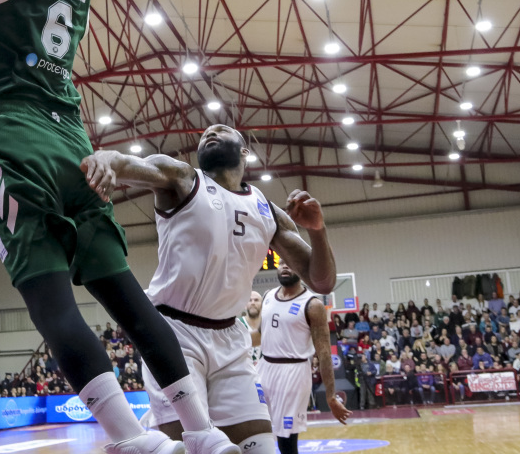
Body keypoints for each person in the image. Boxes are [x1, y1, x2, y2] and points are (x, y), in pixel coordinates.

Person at [0, 0, 230, 453]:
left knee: (49, 300)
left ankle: (129, 437)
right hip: (74, 143)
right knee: (126, 298)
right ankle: (201, 432)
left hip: (16, 137)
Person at [81, 126, 338, 454]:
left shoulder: (266, 209)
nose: (210, 132)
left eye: (222, 130)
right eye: (205, 133)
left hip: (231, 339)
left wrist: (317, 230)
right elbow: (128, 163)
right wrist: (106, 160)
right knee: (186, 446)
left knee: (261, 446)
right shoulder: (183, 177)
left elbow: (322, 281)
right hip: (175, 334)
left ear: (244, 151)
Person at [258, 264, 351, 454]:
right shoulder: (267, 295)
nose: (285, 266)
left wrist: (331, 396)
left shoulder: (312, 305)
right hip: (263, 367)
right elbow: (261, 335)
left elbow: (324, 353)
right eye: (281, 262)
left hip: (292, 373)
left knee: (286, 441)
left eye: (290, 263)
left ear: (301, 269)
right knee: (254, 429)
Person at [240, 292, 264, 368]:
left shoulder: (267, 324)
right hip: (243, 370)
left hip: (264, 371)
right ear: (244, 305)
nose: (253, 303)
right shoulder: (237, 325)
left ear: (263, 305)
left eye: (256, 300)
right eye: (249, 300)